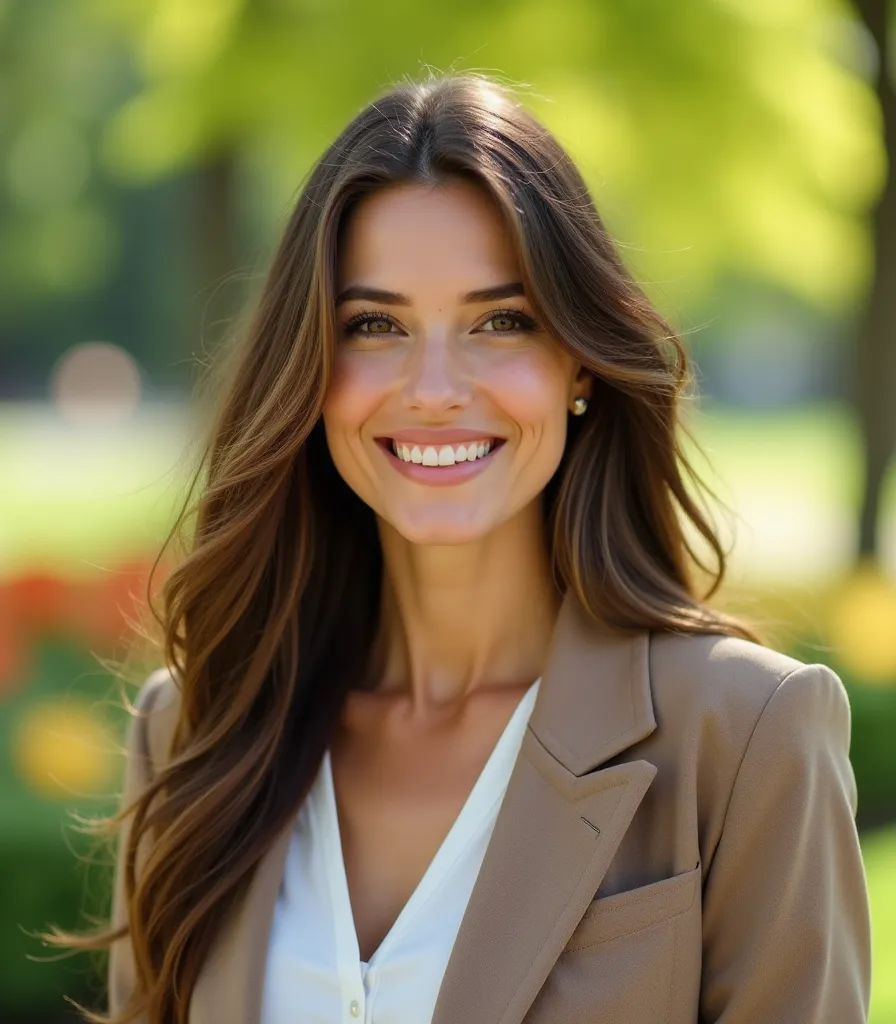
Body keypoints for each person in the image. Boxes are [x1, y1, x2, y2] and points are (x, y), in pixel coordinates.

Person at [45, 71, 871, 1023]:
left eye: (500, 322)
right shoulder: (197, 728)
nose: (434, 387)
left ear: (580, 367)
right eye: (375, 325)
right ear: (311, 372)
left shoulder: (747, 732)